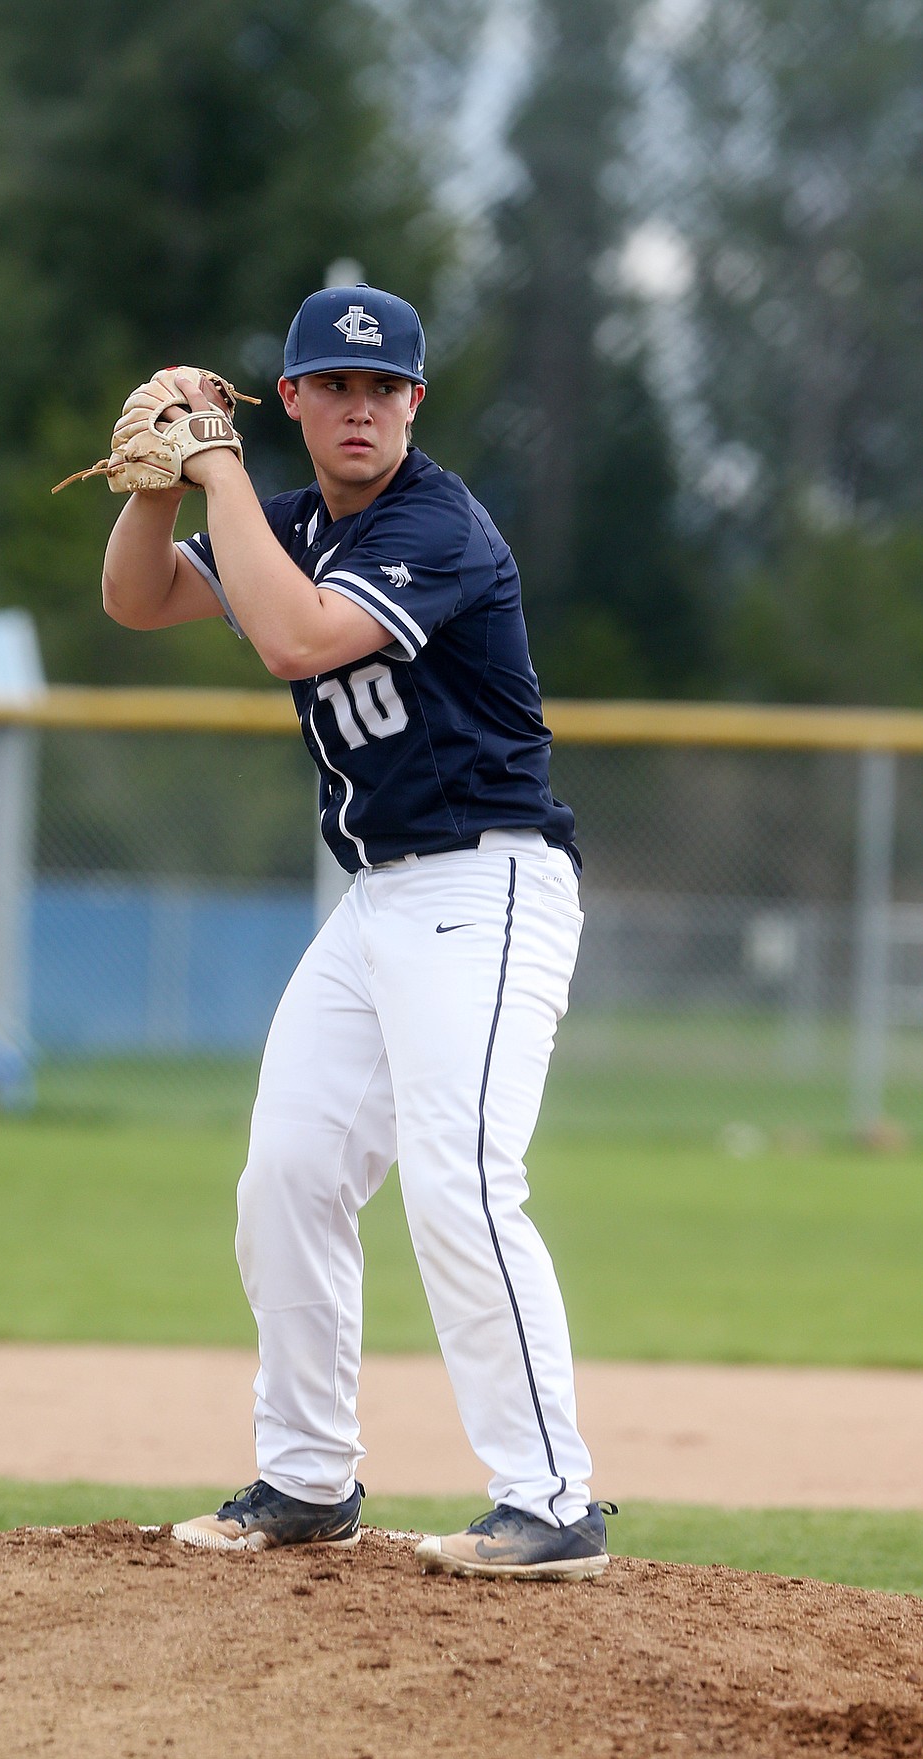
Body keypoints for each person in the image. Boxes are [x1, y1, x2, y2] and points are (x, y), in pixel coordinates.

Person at [101, 284, 609, 1580]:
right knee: (286, 1174)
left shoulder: (437, 525)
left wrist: (213, 460)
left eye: (383, 388)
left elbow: (291, 638)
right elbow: (138, 598)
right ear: (295, 402)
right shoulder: (284, 520)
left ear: (414, 404)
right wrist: (157, 475)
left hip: (486, 887)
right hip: (377, 897)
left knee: (460, 1177)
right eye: (333, 384)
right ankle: (307, 1476)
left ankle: (550, 1495)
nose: (360, 406)